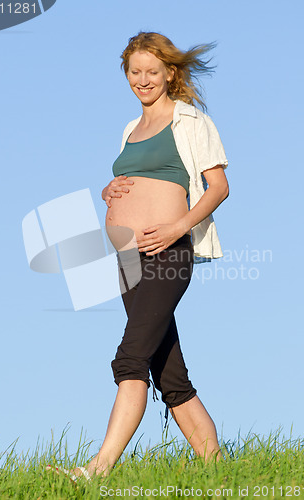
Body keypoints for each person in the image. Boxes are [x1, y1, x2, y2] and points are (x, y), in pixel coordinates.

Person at [61, 31, 229, 481]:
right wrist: (108, 190)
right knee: (169, 375)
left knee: (131, 358)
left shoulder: (190, 121)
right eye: (134, 72)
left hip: (167, 252)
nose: (142, 79)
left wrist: (178, 227)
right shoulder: (129, 130)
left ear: (170, 73)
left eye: (151, 71)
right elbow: (130, 181)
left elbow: (219, 187)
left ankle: (96, 470)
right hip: (127, 260)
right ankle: (216, 473)